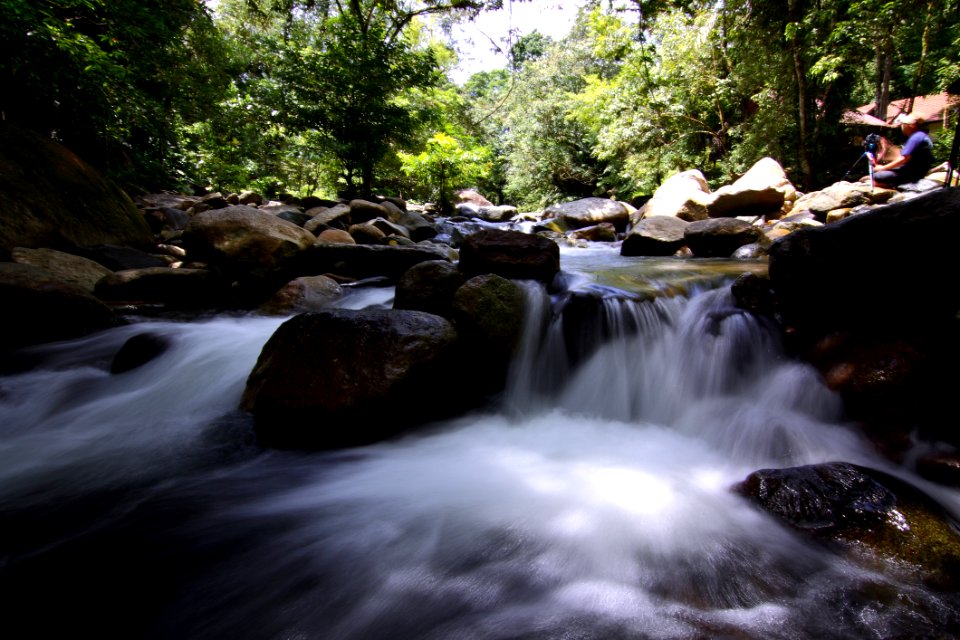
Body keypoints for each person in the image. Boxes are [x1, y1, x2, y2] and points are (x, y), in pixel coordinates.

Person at [869, 113, 934, 188]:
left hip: (911, 174)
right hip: (918, 172)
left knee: (876, 176)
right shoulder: (922, 136)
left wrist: (882, 168)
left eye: (903, 124)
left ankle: (892, 187)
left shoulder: (916, 138)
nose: (901, 126)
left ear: (912, 125)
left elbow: (904, 159)